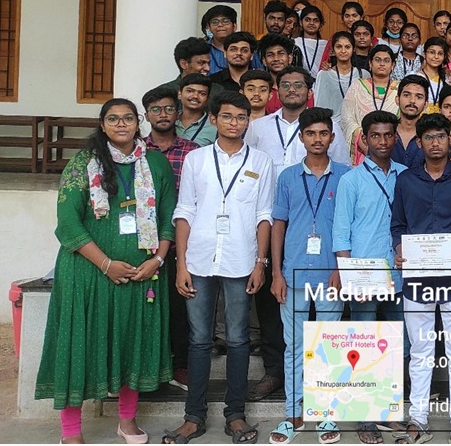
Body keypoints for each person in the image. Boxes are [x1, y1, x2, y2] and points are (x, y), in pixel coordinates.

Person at [36, 98, 176, 445]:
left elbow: (168, 218)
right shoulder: (83, 162)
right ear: (102, 124)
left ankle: (127, 423)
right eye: (113, 119)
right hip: (87, 274)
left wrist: (157, 260)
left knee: (132, 345)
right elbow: (68, 223)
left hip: (140, 274)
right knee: (77, 345)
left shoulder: (155, 163)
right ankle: (71, 433)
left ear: (138, 122)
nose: (121, 124)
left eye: (128, 118)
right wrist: (105, 264)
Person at [165, 91, 275, 445]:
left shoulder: (262, 160)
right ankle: (193, 417)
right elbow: (184, 211)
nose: (234, 123)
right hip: (198, 259)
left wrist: (260, 264)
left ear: (248, 121)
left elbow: (264, 215)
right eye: (227, 116)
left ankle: (236, 415)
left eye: (241, 117)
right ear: (213, 119)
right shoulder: (196, 160)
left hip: (241, 260)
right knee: (198, 341)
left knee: (239, 339)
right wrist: (181, 264)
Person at [391, 113, 451, 445]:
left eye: (441, 137)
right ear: (419, 143)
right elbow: (398, 225)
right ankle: (417, 418)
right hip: (417, 279)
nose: (434, 143)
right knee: (420, 351)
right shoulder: (406, 180)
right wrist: (400, 250)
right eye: (427, 138)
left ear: (450, 140)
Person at [267, 107, 348, 445]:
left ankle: (327, 414)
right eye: (310, 133)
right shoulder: (287, 177)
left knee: (329, 345)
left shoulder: (346, 175)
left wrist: (343, 269)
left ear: (332, 137)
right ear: (301, 137)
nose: (317, 139)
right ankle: (293, 412)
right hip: (295, 273)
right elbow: (278, 225)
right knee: (295, 346)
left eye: (323, 133)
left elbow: (351, 226)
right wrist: (276, 272)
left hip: (332, 274)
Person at [332, 110, 406, 445]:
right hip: (364, 271)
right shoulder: (350, 179)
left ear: (395, 137)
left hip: (400, 270)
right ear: (364, 138)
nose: (382, 141)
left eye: (388, 135)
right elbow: (341, 233)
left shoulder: (407, 175)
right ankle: (364, 417)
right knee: (363, 343)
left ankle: (387, 410)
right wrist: (349, 277)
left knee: (397, 343)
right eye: (375, 135)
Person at [142, 86, 199, 390]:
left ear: (178, 113)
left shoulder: (192, 151)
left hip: (181, 241)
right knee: (146, 309)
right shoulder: (137, 150)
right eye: (155, 109)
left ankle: (180, 366)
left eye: (168, 109)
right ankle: (146, 367)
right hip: (143, 242)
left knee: (179, 309)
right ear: (146, 115)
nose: (162, 115)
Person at [340, 45, 399, 163]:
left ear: (392, 65)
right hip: (363, 146)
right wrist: (363, 142)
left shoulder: (400, 90)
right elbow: (347, 118)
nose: (382, 64)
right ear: (370, 64)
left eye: (386, 60)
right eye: (377, 60)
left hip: (392, 148)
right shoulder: (357, 86)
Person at [314, 31, 367, 114]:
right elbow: (320, 104)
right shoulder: (324, 74)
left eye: (347, 47)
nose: (343, 51)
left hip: (357, 124)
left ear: (354, 49)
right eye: (339, 47)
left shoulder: (364, 74)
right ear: (332, 50)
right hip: (331, 123)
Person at [392, 75, 429, 167]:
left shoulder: (431, 136)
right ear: (397, 99)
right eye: (406, 95)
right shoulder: (385, 132)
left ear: (426, 104)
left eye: (419, 97)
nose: (412, 101)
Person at [258, 33, 298, 115]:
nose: (276, 59)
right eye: (270, 55)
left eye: (280, 54)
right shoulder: (258, 89)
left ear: (290, 58)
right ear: (264, 61)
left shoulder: (301, 88)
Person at [176, 74, 217, 146]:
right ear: (179, 94)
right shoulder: (170, 120)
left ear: (208, 99)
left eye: (202, 93)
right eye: (190, 91)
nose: (195, 96)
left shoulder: (215, 126)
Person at [418, 36, 451, 114]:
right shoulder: (416, 76)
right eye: (432, 52)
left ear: (444, 56)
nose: (436, 57)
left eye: (440, 53)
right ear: (424, 54)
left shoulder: (447, 78)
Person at [202, 5, 243, 74]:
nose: (220, 25)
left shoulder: (246, 49)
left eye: (225, 21)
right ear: (209, 27)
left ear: (234, 26)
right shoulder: (202, 48)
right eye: (215, 22)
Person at [293, 5, 328, 75]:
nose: (311, 23)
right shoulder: (295, 42)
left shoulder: (326, 45)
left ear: (321, 24)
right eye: (307, 20)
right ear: (300, 22)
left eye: (316, 20)